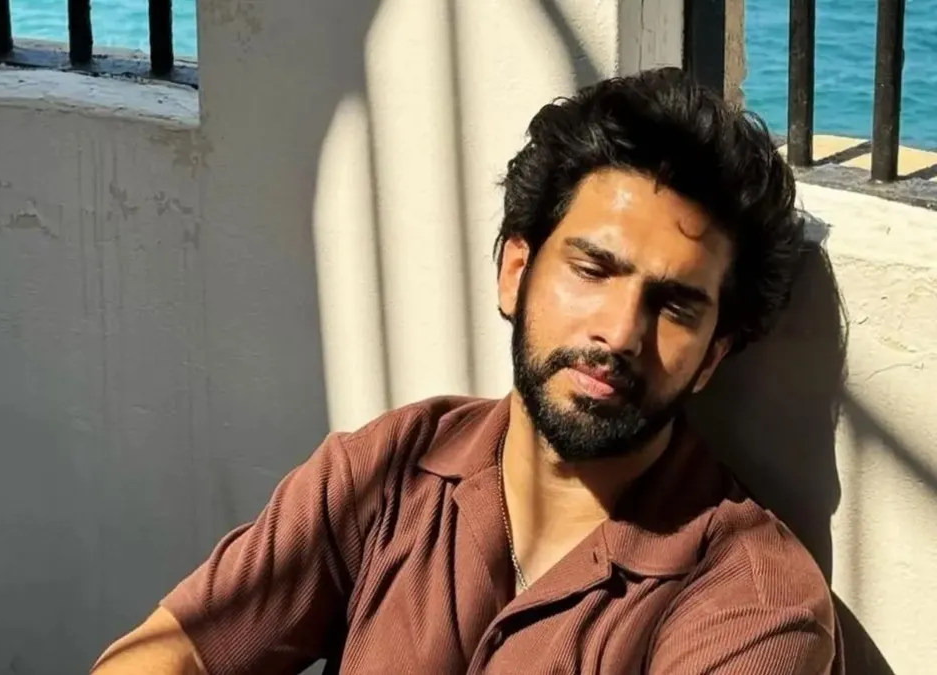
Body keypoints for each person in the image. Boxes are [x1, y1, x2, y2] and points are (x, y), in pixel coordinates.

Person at [91, 67, 840, 675]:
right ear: (516, 271)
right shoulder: (391, 467)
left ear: (713, 356)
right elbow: (175, 649)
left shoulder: (753, 607)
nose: (619, 333)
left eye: (674, 305)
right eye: (592, 269)